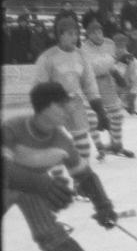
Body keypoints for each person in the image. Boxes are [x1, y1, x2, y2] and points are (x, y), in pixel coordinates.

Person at [2, 82, 118, 251]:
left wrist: (103, 204)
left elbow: (85, 176)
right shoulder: (12, 128)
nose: (69, 110)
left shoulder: (62, 141)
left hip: (33, 189)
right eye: (63, 105)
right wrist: (42, 183)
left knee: (49, 233)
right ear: (45, 107)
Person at [33, 14, 110, 163]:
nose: (74, 37)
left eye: (76, 33)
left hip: (75, 104)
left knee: (82, 142)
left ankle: (81, 180)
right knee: (52, 146)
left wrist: (99, 109)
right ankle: (59, 180)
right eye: (70, 34)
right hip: (52, 106)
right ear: (60, 35)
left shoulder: (81, 56)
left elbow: (89, 84)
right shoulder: (47, 57)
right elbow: (39, 86)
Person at [82, 20, 136, 159]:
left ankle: (116, 145)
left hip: (106, 82)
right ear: (89, 35)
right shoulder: (84, 48)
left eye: (99, 32)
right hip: (91, 83)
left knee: (117, 115)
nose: (98, 35)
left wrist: (116, 73)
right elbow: (94, 66)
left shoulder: (109, 44)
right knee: (93, 120)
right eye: (94, 33)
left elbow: (110, 62)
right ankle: (100, 146)